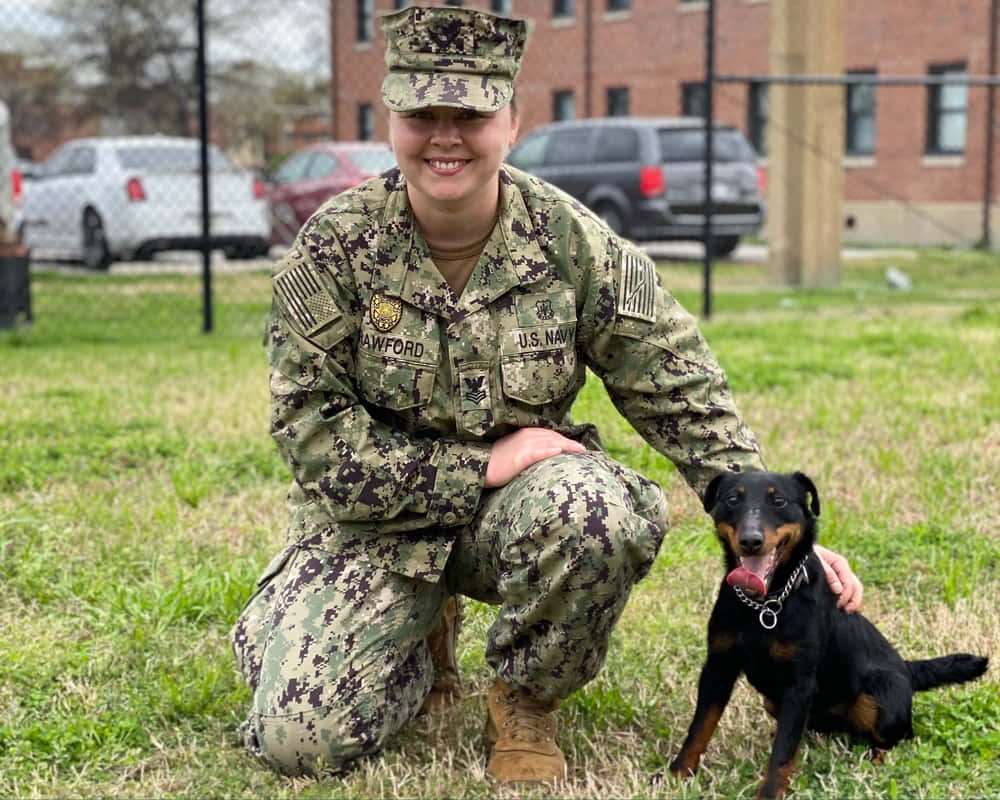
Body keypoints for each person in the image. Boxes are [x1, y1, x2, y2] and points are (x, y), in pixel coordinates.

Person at [230, 4, 862, 784]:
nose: (445, 135)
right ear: (391, 121)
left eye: (470, 113)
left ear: (512, 120)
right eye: (421, 113)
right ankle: (404, 638)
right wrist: (478, 467)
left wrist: (768, 527)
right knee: (300, 741)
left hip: (521, 513)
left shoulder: (570, 239)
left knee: (597, 512)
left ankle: (525, 698)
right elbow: (312, 439)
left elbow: (675, 378)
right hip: (374, 521)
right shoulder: (333, 248)